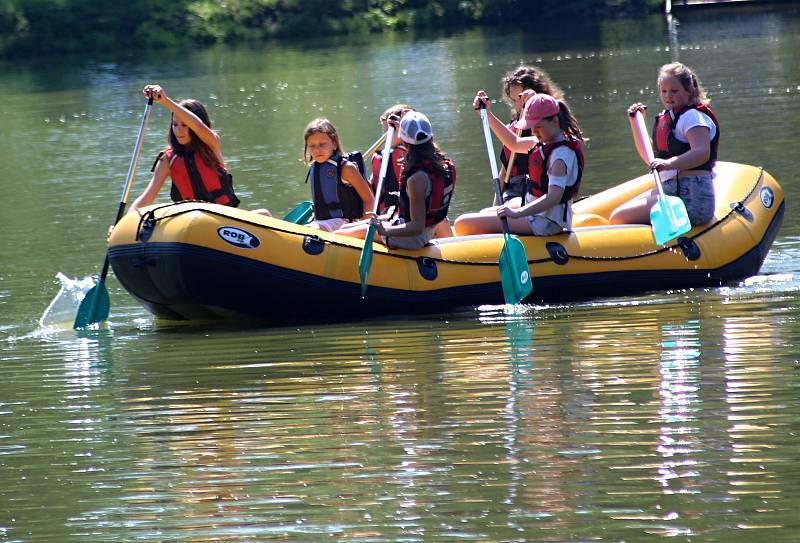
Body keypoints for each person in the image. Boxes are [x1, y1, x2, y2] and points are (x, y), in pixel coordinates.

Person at [454, 92, 584, 236]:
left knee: (463, 223)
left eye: (538, 127)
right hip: (536, 213)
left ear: (554, 121)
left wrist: (518, 213)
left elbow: (553, 198)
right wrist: (487, 115)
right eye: (532, 127)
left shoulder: (560, 157)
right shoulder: (547, 140)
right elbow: (514, 143)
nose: (533, 131)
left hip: (546, 222)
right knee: (484, 213)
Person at [131, 84, 270, 215]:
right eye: (175, 124)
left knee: (264, 214)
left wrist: (166, 102)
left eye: (184, 125)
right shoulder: (167, 159)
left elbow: (198, 126)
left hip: (224, 219)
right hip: (191, 223)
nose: (179, 130)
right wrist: (122, 226)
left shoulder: (211, 144)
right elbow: (146, 199)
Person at [609, 62, 719, 226]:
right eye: (664, 91)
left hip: (692, 200)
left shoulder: (693, 117)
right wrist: (634, 122)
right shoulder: (670, 118)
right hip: (672, 192)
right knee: (618, 213)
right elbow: (650, 159)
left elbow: (702, 152)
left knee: (619, 217)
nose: (668, 96)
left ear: (689, 90)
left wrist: (668, 163)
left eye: (674, 91)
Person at [337, 111, 456, 249]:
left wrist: (384, 230)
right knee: (349, 227)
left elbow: (417, 226)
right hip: (424, 232)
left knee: (343, 235)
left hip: (412, 239)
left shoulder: (416, 179)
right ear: (431, 137)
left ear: (404, 141)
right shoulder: (444, 166)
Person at [491, 66, 566, 208]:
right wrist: (495, 207)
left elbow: (515, 144)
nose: (518, 106)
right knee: (484, 214)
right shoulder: (513, 128)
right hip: (513, 194)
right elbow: (505, 171)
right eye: (513, 101)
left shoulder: (549, 132)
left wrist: (487, 114)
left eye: (520, 98)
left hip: (533, 195)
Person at [303, 118, 375, 232]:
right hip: (321, 221)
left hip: (344, 222)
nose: (317, 150)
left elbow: (369, 200)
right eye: (312, 146)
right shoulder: (314, 167)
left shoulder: (346, 168)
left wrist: (364, 228)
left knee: (310, 230)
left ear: (334, 144)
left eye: (322, 144)